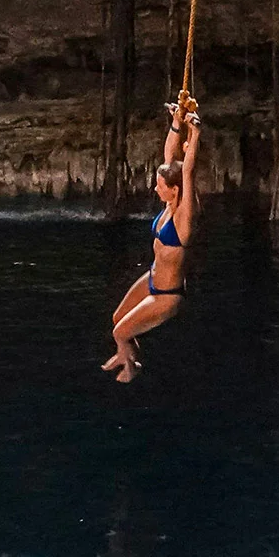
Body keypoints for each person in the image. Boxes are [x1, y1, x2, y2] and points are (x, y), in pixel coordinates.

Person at [102, 106, 201, 383]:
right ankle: (126, 354)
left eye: (160, 185)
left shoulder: (184, 216)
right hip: (152, 279)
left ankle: (131, 367)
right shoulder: (169, 203)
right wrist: (176, 123)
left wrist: (195, 133)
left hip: (167, 295)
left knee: (120, 332)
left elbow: (189, 170)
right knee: (117, 318)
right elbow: (171, 156)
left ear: (175, 189)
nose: (155, 189)